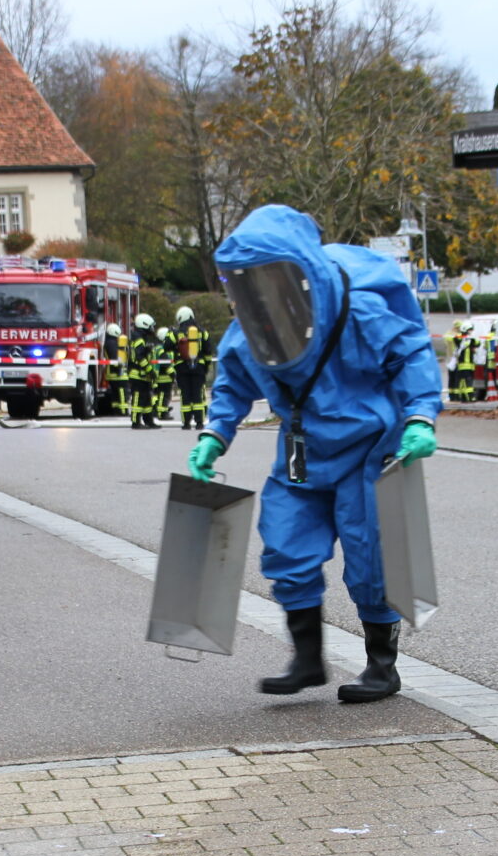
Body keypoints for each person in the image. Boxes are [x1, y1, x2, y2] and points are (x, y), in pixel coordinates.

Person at [187, 205, 442, 703]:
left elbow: (411, 352)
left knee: (370, 558)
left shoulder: (354, 310)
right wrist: (213, 437)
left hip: (369, 446)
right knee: (285, 545)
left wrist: (419, 416)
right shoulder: (251, 331)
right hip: (302, 451)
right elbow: (233, 384)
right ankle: (307, 659)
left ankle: (381, 666)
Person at [172, 306, 213, 429]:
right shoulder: (202, 331)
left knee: (185, 395)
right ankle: (199, 422)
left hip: (182, 368)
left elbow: (166, 346)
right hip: (198, 367)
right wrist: (205, 366)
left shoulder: (177, 333)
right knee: (197, 395)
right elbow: (208, 350)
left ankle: (186, 423)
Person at [126, 312, 160, 429]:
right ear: (144, 325)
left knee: (146, 399)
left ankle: (148, 421)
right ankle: (135, 422)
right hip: (138, 374)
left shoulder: (141, 338)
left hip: (142, 375)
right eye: (151, 326)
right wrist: (150, 370)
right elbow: (140, 357)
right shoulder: (139, 339)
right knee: (138, 398)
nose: (152, 329)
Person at [445, 320, 479, 403]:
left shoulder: (467, 339)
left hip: (467, 364)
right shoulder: (460, 339)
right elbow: (476, 343)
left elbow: (478, 343)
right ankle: (467, 397)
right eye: (470, 330)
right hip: (462, 364)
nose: (471, 332)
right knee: (464, 382)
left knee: (463, 381)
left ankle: (463, 397)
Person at [153, 326, 178, 422]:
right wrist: (173, 375)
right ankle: (162, 413)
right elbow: (166, 365)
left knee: (161, 396)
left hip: (161, 377)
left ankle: (162, 410)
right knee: (164, 395)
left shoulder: (159, 348)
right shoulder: (162, 349)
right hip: (164, 378)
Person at [100, 320, 124, 416]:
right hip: (115, 372)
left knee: (115, 393)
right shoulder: (112, 344)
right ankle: (122, 410)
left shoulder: (108, 342)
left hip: (110, 372)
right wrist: (120, 368)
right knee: (121, 391)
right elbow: (115, 358)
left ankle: (116, 409)